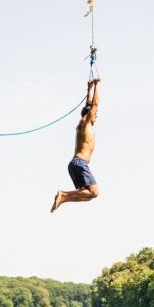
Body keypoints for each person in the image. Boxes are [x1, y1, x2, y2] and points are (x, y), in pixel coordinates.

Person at [51, 77, 101, 213]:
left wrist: (89, 88)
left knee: (87, 195)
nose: (96, 115)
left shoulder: (83, 124)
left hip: (75, 164)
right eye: (94, 114)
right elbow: (94, 105)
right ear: (89, 114)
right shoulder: (85, 122)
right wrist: (97, 85)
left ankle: (64, 197)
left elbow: (89, 105)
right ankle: (64, 195)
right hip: (80, 163)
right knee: (94, 192)